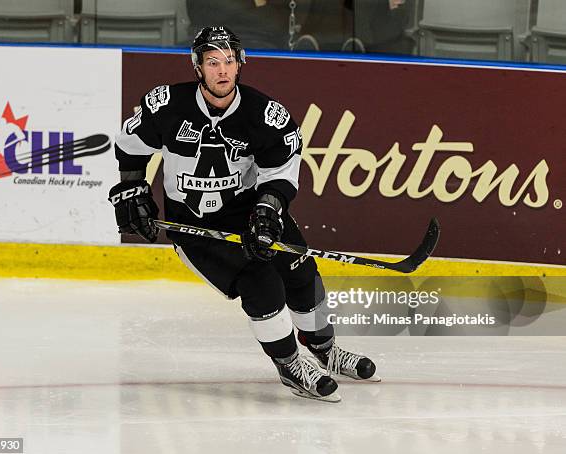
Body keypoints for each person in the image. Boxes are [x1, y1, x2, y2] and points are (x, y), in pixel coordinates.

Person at [108, 26, 380, 402]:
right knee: (261, 284)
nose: (223, 70)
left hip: (250, 212)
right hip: (193, 225)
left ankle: (325, 350)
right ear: (197, 66)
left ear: (240, 65)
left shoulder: (263, 114)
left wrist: (269, 209)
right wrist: (131, 186)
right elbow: (129, 146)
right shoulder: (166, 106)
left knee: (301, 271)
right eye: (213, 62)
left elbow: (281, 170)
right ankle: (289, 365)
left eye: (230, 61)